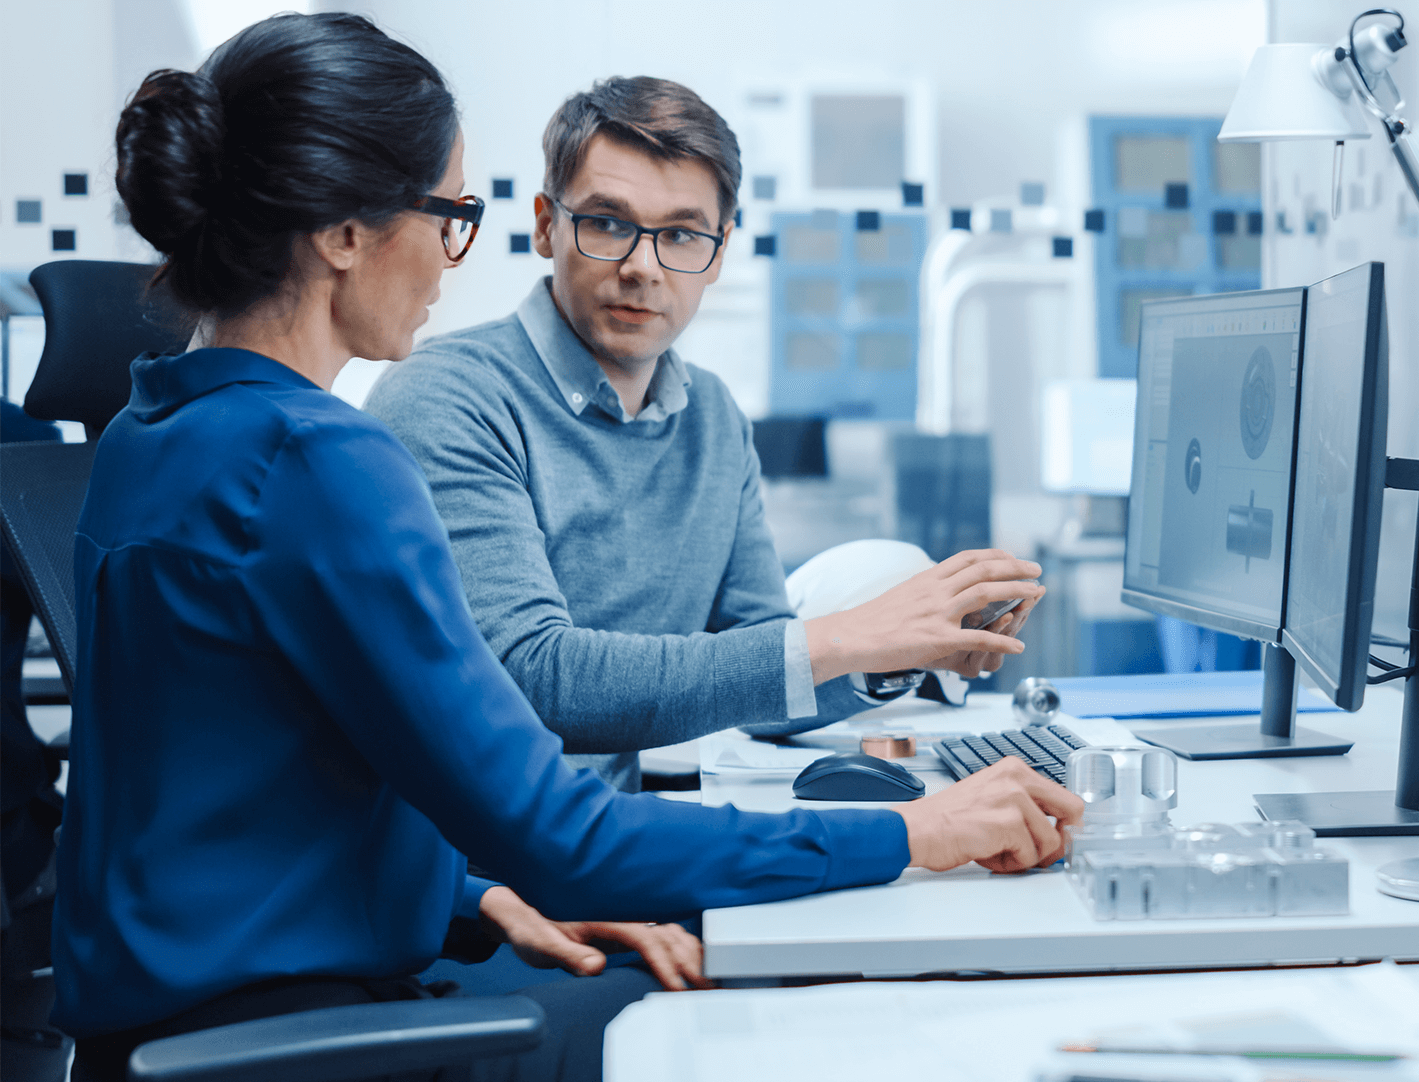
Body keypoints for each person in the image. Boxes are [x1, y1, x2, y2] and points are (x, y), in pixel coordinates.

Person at [59, 15, 1082, 1082]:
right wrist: (916, 833)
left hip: (176, 1031)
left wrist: (478, 893)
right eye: (449, 212)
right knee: (792, 1019)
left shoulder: (153, 428)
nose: (452, 255)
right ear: (345, 233)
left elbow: (245, 782)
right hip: (292, 1037)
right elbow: (555, 817)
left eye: (684, 235)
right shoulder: (318, 458)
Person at [363, 77, 1039, 793]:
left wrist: (905, 653)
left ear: (717, 254)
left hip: (601, 845)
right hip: (477, 876)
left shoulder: (712, 419)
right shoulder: (448, 398)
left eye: (682, 234)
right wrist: (850, 634)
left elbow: (767, 677)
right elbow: (532, 682)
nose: (642, 267)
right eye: (607, 223)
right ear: (544, 226)